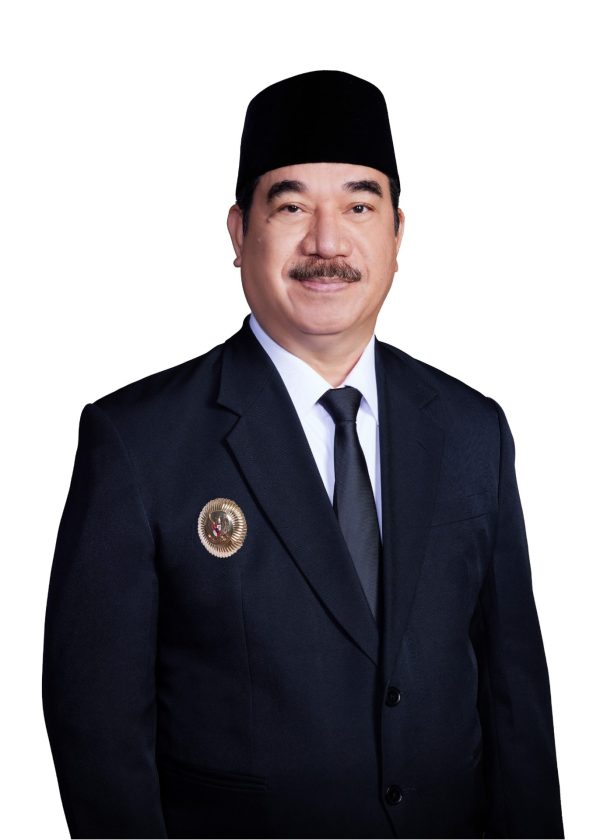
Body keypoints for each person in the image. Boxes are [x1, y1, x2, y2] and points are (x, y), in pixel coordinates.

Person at [42, 70, 564, 839]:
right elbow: (99, 734)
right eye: (291, 207)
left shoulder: (470, 431)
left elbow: (516, 704)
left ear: (397, 234)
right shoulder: (138, 445)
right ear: (238, 232)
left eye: (359, 206)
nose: (327, 243)